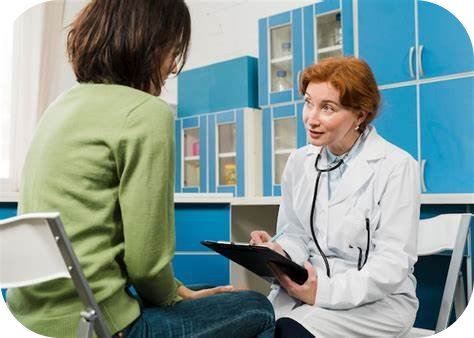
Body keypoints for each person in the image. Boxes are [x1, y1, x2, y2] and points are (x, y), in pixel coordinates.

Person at [7, 1, 275, 337]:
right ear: (153, 46)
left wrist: (177, 292)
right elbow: (146, 265)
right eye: (173, 51)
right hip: (97, 323)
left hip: (32, 316)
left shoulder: (60, 106)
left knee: (203, 289)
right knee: (258, 307)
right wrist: (171, 296)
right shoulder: (147, 113)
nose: (171, 67)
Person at [250, 56, 420, 337]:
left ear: (360, 115)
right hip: (306, 293)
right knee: (251, 322)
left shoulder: (396, 166)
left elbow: (392, 263)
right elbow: (295, 235)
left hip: (375, 304)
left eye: (327, 108)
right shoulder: (299, 161)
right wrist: (279, 250)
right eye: (308, 103)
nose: (311, 118)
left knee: (290, 332)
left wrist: (324, 292)